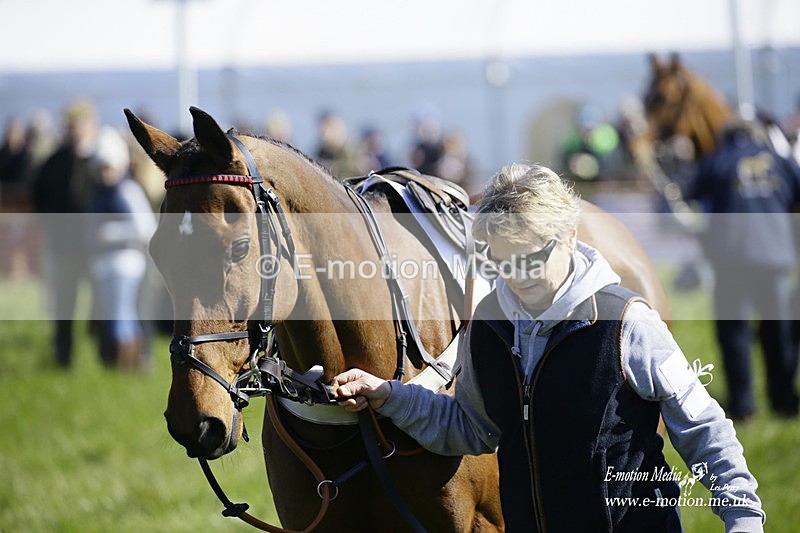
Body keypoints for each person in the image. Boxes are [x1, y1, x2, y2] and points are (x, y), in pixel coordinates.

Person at [333, 163, 765, 532]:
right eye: (503, 262)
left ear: (570, 236)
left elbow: (703, 429)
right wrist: (389, 395)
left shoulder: (629, 322)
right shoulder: (486, 325)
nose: (519, 275)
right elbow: (469, 426)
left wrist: (743, 514)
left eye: (532, 257)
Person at [686, 118, 800, 421]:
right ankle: (785, 402)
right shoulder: (780, 160)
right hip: (776, 259)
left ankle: (743, 404)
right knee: (779, 332)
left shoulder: (717, 160)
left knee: (735, 333)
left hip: (732, 260)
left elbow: (691, 196)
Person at [31, 100, 98, 368]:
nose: (74, 130)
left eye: (79, 124)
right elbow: (40, 200)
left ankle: (105, 355)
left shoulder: (99, 159)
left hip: (94, 246)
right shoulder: (53, 162)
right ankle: (63, 357)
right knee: (64, 304)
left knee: (101, 304)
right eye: (70, 125)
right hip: (64, 246)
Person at [85, 127, 156, 370]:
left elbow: (146, 228)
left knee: (123, 316)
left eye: (109, 167)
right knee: (115, 315)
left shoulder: (128, 191)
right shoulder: (98, 193)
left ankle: (129, 364)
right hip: (104, 264)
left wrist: (110, 235)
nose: (105, 174)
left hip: (126, 262)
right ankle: (121, 363)